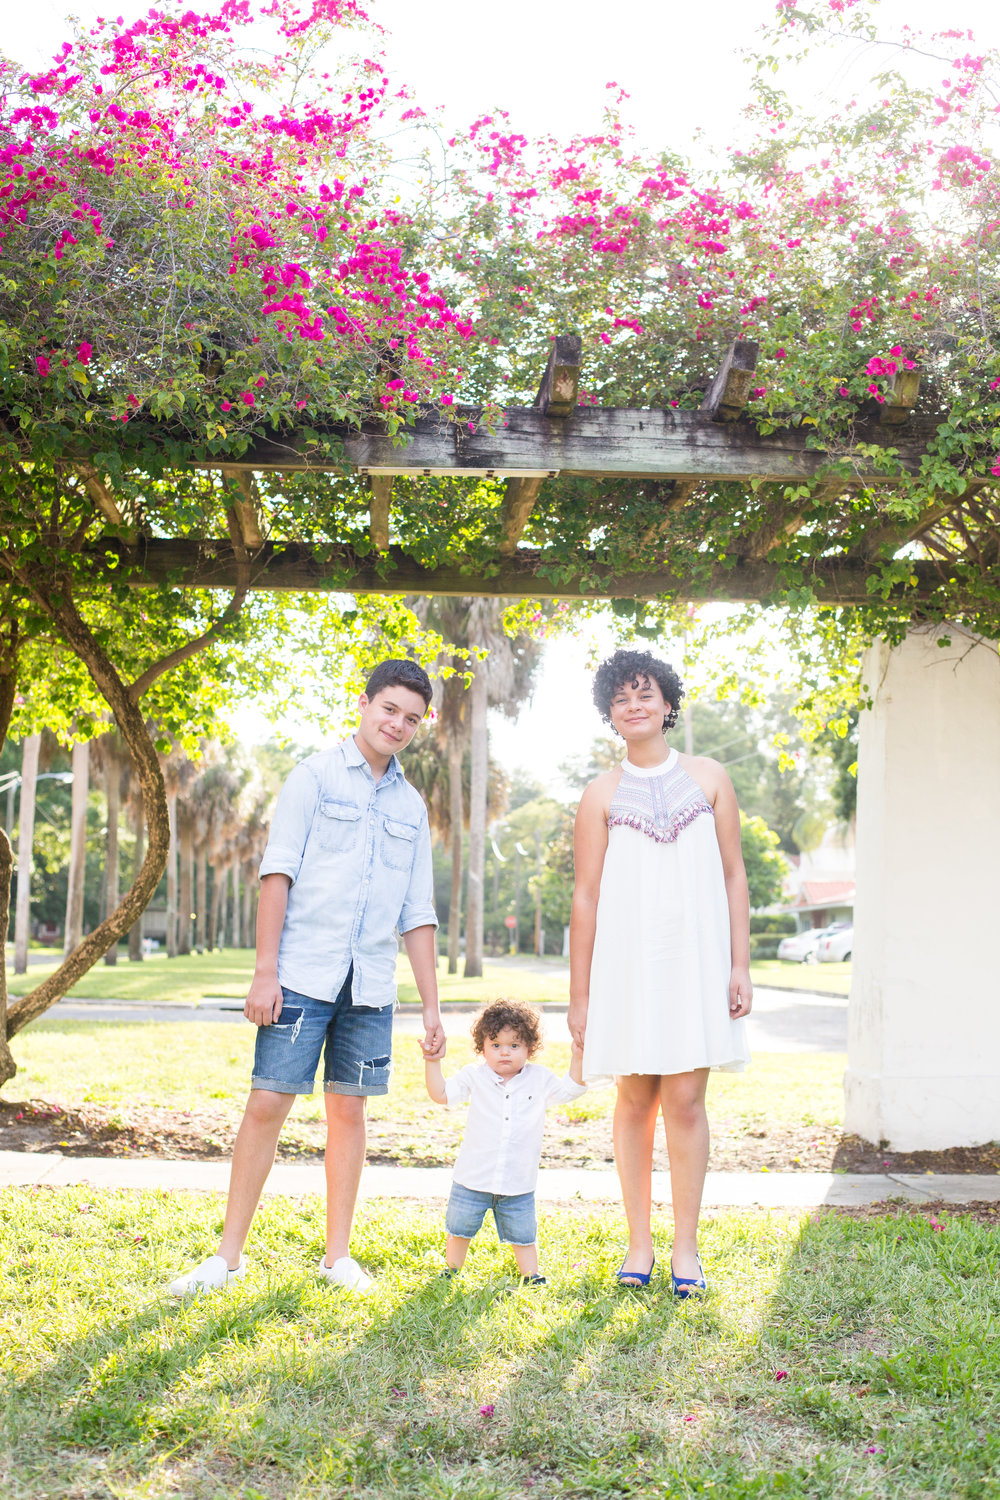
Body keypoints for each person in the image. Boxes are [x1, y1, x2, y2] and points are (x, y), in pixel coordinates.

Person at [170, 658, 445, 1296]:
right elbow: (278, 875)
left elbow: (419, 912)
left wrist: (431, 1008)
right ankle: (226, 1259)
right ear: (364, 703)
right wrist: (265, 973)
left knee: (350, 1113)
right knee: (268, 1102)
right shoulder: (313, 777)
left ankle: (337, 1257)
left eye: (411, 717)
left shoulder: (412, 804)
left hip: (372, 985)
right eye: (389, 710)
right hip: (300, 975)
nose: (397, 725)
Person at [569, 648, 751, 1297]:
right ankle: (638, 1244)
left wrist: (740, 964)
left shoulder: (709, 778)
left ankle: (687, 1250)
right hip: (626, 968)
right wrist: (580, 997)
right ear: (610, 716)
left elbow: (734, 875)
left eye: (646, 693)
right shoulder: (600, 794)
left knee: (685, 1099)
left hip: (696, 965)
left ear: (668, 703)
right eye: (621, 698)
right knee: (635, 1097)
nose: (635, 705)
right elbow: (585, 898)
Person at [423, 999, 585, 1284]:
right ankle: (451, 1269)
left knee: (523, 1233)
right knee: (459, 1228)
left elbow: (570, 1090)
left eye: (514, 1045)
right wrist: (433, 1062)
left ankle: (531, 1275)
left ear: (529, 1048)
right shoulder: (475, 1076)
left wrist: (578, 1058)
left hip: (518, 1182)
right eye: (495, 1045)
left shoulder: (540, 1078)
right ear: (482, 1048)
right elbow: (441, 1094)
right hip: (472, 1178)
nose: (505, 1053)